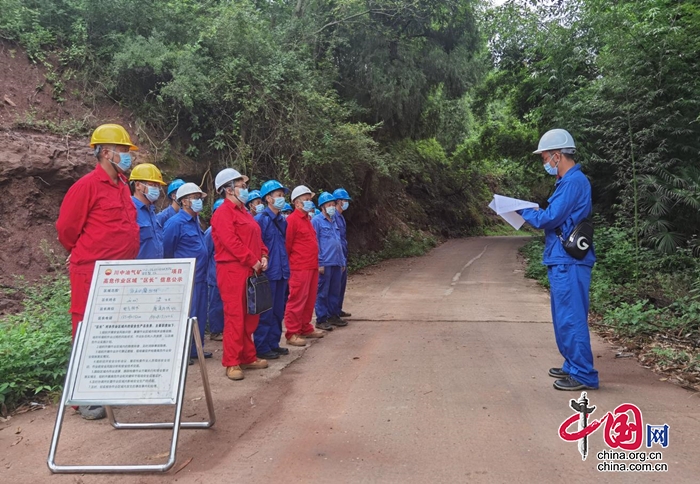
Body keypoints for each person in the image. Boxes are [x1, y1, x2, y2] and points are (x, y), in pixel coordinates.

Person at [56, 123, 140, 420]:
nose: (129, 158)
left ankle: (106, 388)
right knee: (85, 331)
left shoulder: (121, 187)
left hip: (119, 274)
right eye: (124, 152)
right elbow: (67, 230)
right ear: (106, 153)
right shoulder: (86, 187)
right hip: (91, 272)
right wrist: (85, 255)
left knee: (111, 332)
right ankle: (81, 398)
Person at [519, 128, 599, 392]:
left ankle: (584, 374)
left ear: (557, 155)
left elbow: (549, 218)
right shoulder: (567, 182)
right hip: (563, 259)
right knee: (563, 315)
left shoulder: (574, 182)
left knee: (571, 317)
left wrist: (520, 209)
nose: (544, 163)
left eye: (545, 158)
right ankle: (572, 365)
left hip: (570, 261)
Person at [211, 168, 270, 381]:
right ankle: (232, 361)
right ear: (228, 189)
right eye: (241, 186)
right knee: (235, 316)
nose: (245, 189)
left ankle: (247, 356)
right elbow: (231, 242)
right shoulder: (222, 214)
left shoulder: (245, 213)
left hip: (251, 270)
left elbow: (257, 237)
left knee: (250, 315)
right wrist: (252, 260)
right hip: (232, 271)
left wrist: (263, 254)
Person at [163, 182, 211, 362]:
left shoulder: (195, 221)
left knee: (198, 315)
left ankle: (195, 349)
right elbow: (167, 250)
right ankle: (182, 352)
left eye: (200, 198)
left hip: (200, 277)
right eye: (195, 198)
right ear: (184, 202)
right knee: (186, 315)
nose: (199, 201)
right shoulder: (175, 223)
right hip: (185, 280)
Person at [283, 186, 327, 346]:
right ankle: (292, 332)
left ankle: (305, 327)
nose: (310, 202)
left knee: (309, 298)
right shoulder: (292, 221)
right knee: (297, 299)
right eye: (306, 200)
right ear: (297, 203)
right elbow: (287, 245)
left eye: (310, 199)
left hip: (311, 265)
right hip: (299, 267)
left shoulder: (307, 220)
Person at [253, 180, 291, 360]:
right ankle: (262, 346)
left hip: (282, 271)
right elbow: (257, 245)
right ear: (268, 198)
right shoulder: (261, 220)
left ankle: (274, 343)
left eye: (283, 196)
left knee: (278, 310)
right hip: (268, 273)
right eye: (278, 195)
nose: (282, 198)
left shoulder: (281, 220)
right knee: (266, 312)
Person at [312, 192, 347, 331]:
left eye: (333, 204)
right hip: (325, 263)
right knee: (322, 292)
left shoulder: (334, 221)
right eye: (329, 205)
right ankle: (321, 318)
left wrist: (342, 261)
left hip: (337, 262)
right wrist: (319, 262)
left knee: (335, 291)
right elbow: (315, 243)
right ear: (322, 207)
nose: (332, 207)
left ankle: (333, 315)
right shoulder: (317, 221)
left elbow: (339, 241)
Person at [130, 163, 167, 259]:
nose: (156, 189)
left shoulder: (151, 212)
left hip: (154, 271)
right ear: (138, 185)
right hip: (136, 271)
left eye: (158, 186)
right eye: (152, 185)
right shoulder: (129, 209)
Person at [204, 199, 225, 341]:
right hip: (214, 274)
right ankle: (215, 331)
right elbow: (206, 252)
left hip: (224, 274)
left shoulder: (227, 229)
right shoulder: (210, 232)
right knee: (216, 304)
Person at [333, 188, 352, 318]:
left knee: (341, 285)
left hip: (342, 254)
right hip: (335, 256)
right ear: (338, 201)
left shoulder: (341, 217)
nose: (346, 203)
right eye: (344, 201)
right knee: (334, 287)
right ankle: (333, 312)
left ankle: (338, 309)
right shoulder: (333, 216)